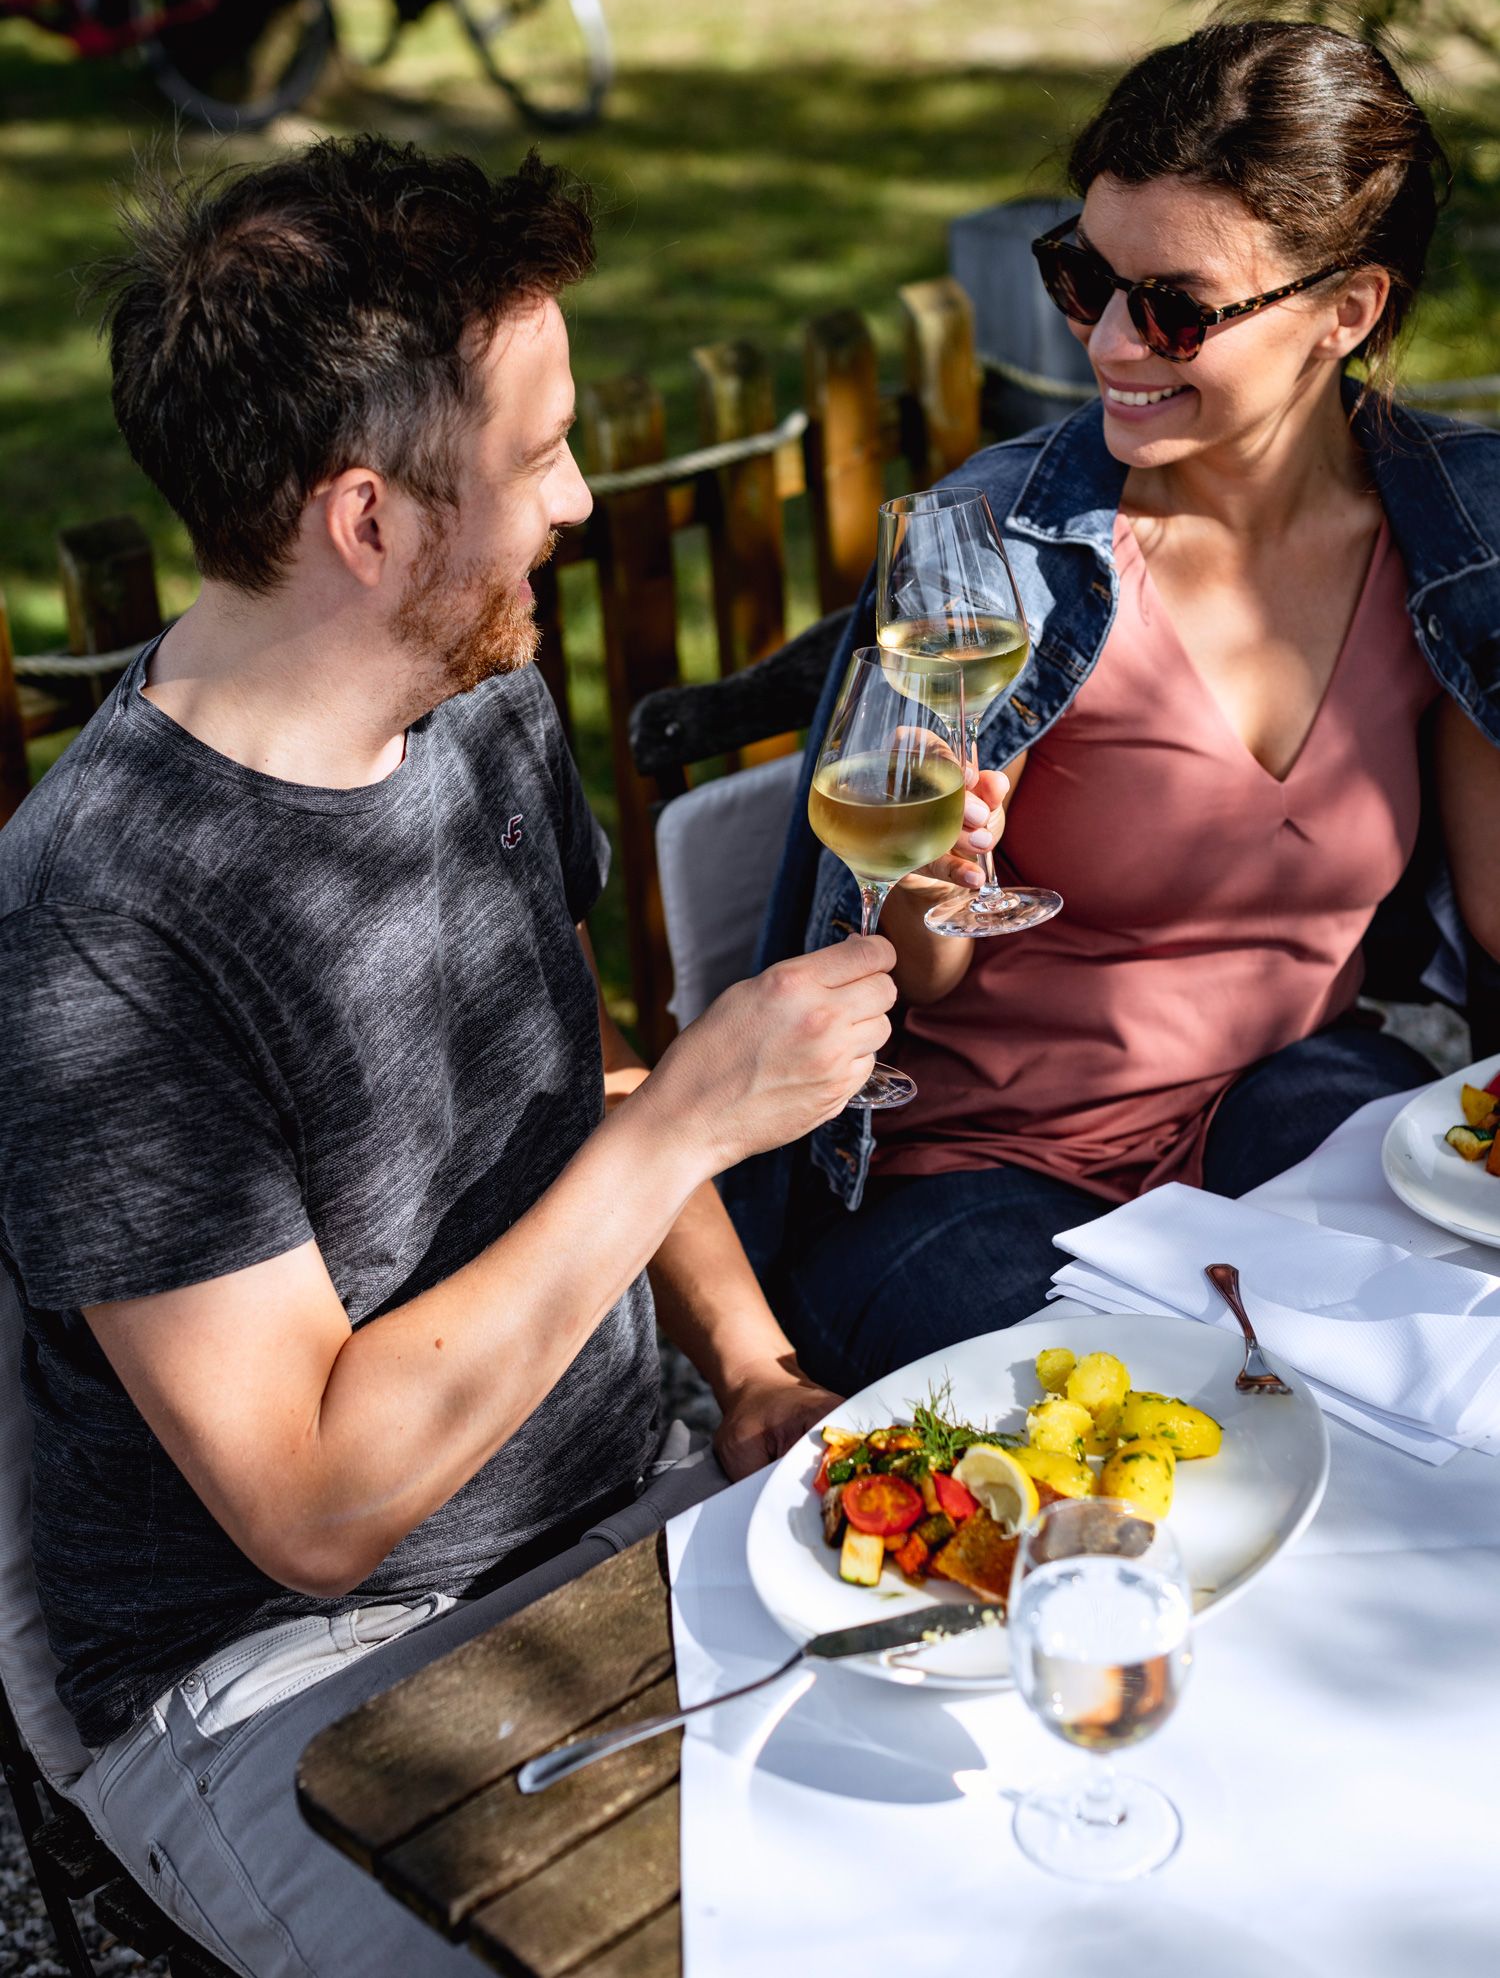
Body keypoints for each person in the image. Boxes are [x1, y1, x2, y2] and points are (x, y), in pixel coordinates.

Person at [0, 135, 898, 1977]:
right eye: (541, 451)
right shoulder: (102, 920)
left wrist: (742, 1360)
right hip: (284, 1679)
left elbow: (575, 1061)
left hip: (619, 1502)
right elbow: (315, 1506)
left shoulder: (474, 701)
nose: (579, 497)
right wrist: (684, 1132)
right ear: (369, 521)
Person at [756, 17, 1500, 1395]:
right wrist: (929, 878)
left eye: (1171, 304)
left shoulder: (1459, 533)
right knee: (1123, 1445)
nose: (1106, 341)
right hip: (978, 1169)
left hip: (1281, 1097)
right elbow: (907, 967)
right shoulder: (1002, 551)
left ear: (1349, 311)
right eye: (1084, 277)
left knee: (1443, 1373)